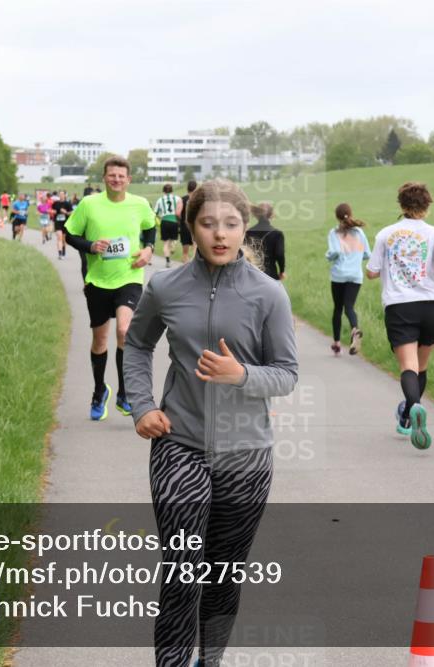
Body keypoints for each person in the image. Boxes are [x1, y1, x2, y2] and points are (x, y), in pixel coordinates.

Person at [124, 179, 298, 667]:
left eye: (231, 224)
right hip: (180, 443)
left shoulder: (269, 296)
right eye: (208, 224)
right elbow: (138, 345)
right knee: (183, 570)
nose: (220, 235)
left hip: (246, 452)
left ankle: (211, 660)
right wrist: (141, 405)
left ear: (245, 229)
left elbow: (286, 374)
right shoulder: (165, 286)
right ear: (191, 228)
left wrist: (240, 374)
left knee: (224, 573)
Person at [366, 182, 434, 450]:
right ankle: (407, 416)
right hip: (432, 304)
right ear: (428, 205)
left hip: (400, 305)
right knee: (423, 365)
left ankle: (414, 407)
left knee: (408, 366)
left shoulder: (386, 234)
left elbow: (371, 272)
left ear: (401, 205)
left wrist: (382, 267)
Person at [64, 155, 157, 421]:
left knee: (125, 330)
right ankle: (99, 391)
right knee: (100, 340)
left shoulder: (139, 205)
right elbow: (70, 234)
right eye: (111, 175)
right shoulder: (89, 204)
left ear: (128, 179)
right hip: (97, 280)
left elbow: (151, 230)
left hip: (129, 277)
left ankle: (125, 392)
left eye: (121, 176)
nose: (116, 179)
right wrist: (91, 246)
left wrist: (149, 250)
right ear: (104, 178)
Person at [326, 203, 371, 356]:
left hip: (339, 275)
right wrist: (356, 256)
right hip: (355, 275)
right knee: (349, 307)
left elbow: (335, 252)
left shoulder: (334, 232)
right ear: (350, 214)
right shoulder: (359, 232)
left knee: (338, 308)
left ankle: (337, 343)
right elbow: (367, 254)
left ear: (337, 216)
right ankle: (354, 329)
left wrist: (328, 256)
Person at [244, 202, 285, 281]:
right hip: (270, 274)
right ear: (271, 214)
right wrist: (282, 271)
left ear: (256, 215)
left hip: (251, 273)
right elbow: (279, 254)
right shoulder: (277, 234)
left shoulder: (248, 232)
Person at [154, 183, 183, 268]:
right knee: (174, 239)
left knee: (166, 243)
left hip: (164, 221)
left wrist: (160, 218)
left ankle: (168, 261)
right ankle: (173, 247)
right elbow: (179, 212)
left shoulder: (160, 200)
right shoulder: (177, 198)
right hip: (174, 221)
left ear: (163, 191)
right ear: (172, 191)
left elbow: (155, 213)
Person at [178, 180, 197, 262]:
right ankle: (194, 266)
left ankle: (185, 267)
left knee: (185, 252)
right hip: (195, 226)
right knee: (195, 247)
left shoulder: (182, 199)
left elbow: (177, 213)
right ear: (196, 188)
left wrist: (180, 221)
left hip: (184, 225)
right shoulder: (197, 200)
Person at [51, 190, 73, 259]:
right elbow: (52, 210)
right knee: (59, 237)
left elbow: (72, 213)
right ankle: (60, 254)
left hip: (65, 223)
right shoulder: (55, 203)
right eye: (60, 194)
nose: (61, 195)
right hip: (57, 222)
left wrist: (65, 212)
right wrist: (53, 212)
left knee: (63, 239)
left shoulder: (68, 204)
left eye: (62, 194)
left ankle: (63, 252)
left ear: (65, 195)